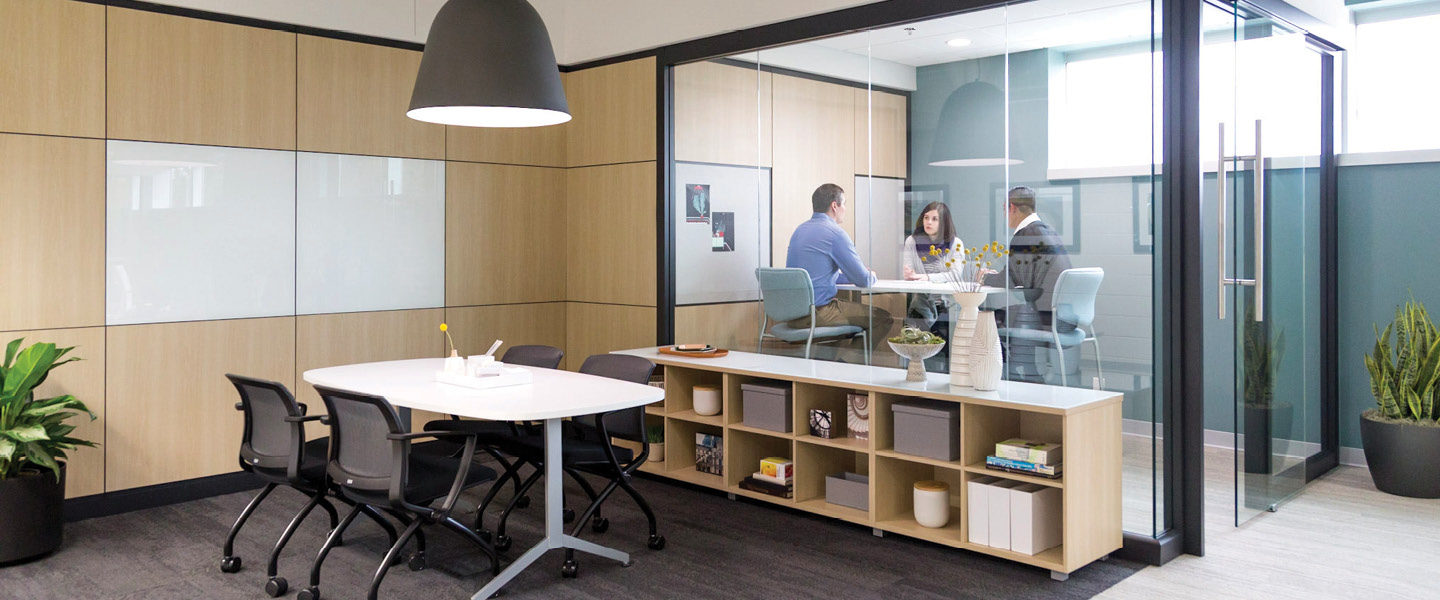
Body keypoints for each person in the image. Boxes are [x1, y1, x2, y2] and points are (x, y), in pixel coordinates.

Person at [784, 183, 893, 347]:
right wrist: (871, 275)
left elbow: (818, 275)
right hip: (817, 314)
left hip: (793, 314)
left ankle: (828, 361)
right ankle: (847, 362)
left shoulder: (799, 231)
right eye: (845, 204)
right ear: (835, 206)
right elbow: (863, 280)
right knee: (883, 318)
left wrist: (847, 277)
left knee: (842, 314)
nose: (845, 209)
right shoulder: (835, 234)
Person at [982, 186, 1073, 381]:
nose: (1005, 216)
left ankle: (1004, 377)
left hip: (1046, 318)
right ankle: (1027, 372)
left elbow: (1013, 281)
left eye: (1005, 210)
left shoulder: (1025, 235)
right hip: (1064, 317)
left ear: (1011, 208)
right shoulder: (1047, 231)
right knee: (1010, 311)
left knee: (987, 318)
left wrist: (983, 277)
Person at [901, 201, 965, 334]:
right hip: (921, 305)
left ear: (944, 223)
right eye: (926, 218)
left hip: (948, 305)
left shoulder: (955, 243)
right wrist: (908, 275)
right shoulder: (912, 241)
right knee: (911, 337)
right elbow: (909, 273)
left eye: (935, 219)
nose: (929, 222)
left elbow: (955, 274)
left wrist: (927, 277)